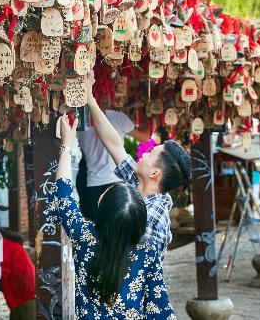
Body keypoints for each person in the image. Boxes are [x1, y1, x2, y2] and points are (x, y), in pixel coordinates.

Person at [47, 113, 174, 318]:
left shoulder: (85, 238)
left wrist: (66, 145)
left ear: (102, 212)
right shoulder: (147, 254)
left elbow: (63, 195)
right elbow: (161, 312)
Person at [85, 76, 191, 257]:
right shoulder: (138, 183)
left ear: (155, 173)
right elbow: (114, 145)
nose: (143, 154)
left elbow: (136, 263)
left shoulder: (152, 214)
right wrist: (90, 99)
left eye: (150, 154)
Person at [76, 106, 138, 221]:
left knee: (94, 226)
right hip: (114, 182)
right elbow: (144, 136)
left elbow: (80, 147)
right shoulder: (118, 117)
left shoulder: (80, 120)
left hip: (93, 182)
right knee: (115, 224)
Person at [0, 228, 35, 314]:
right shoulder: (7, 242)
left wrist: (12, 302)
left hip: (23, 295)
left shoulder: (4, 245)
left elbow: (2, 275)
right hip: (24, 292)